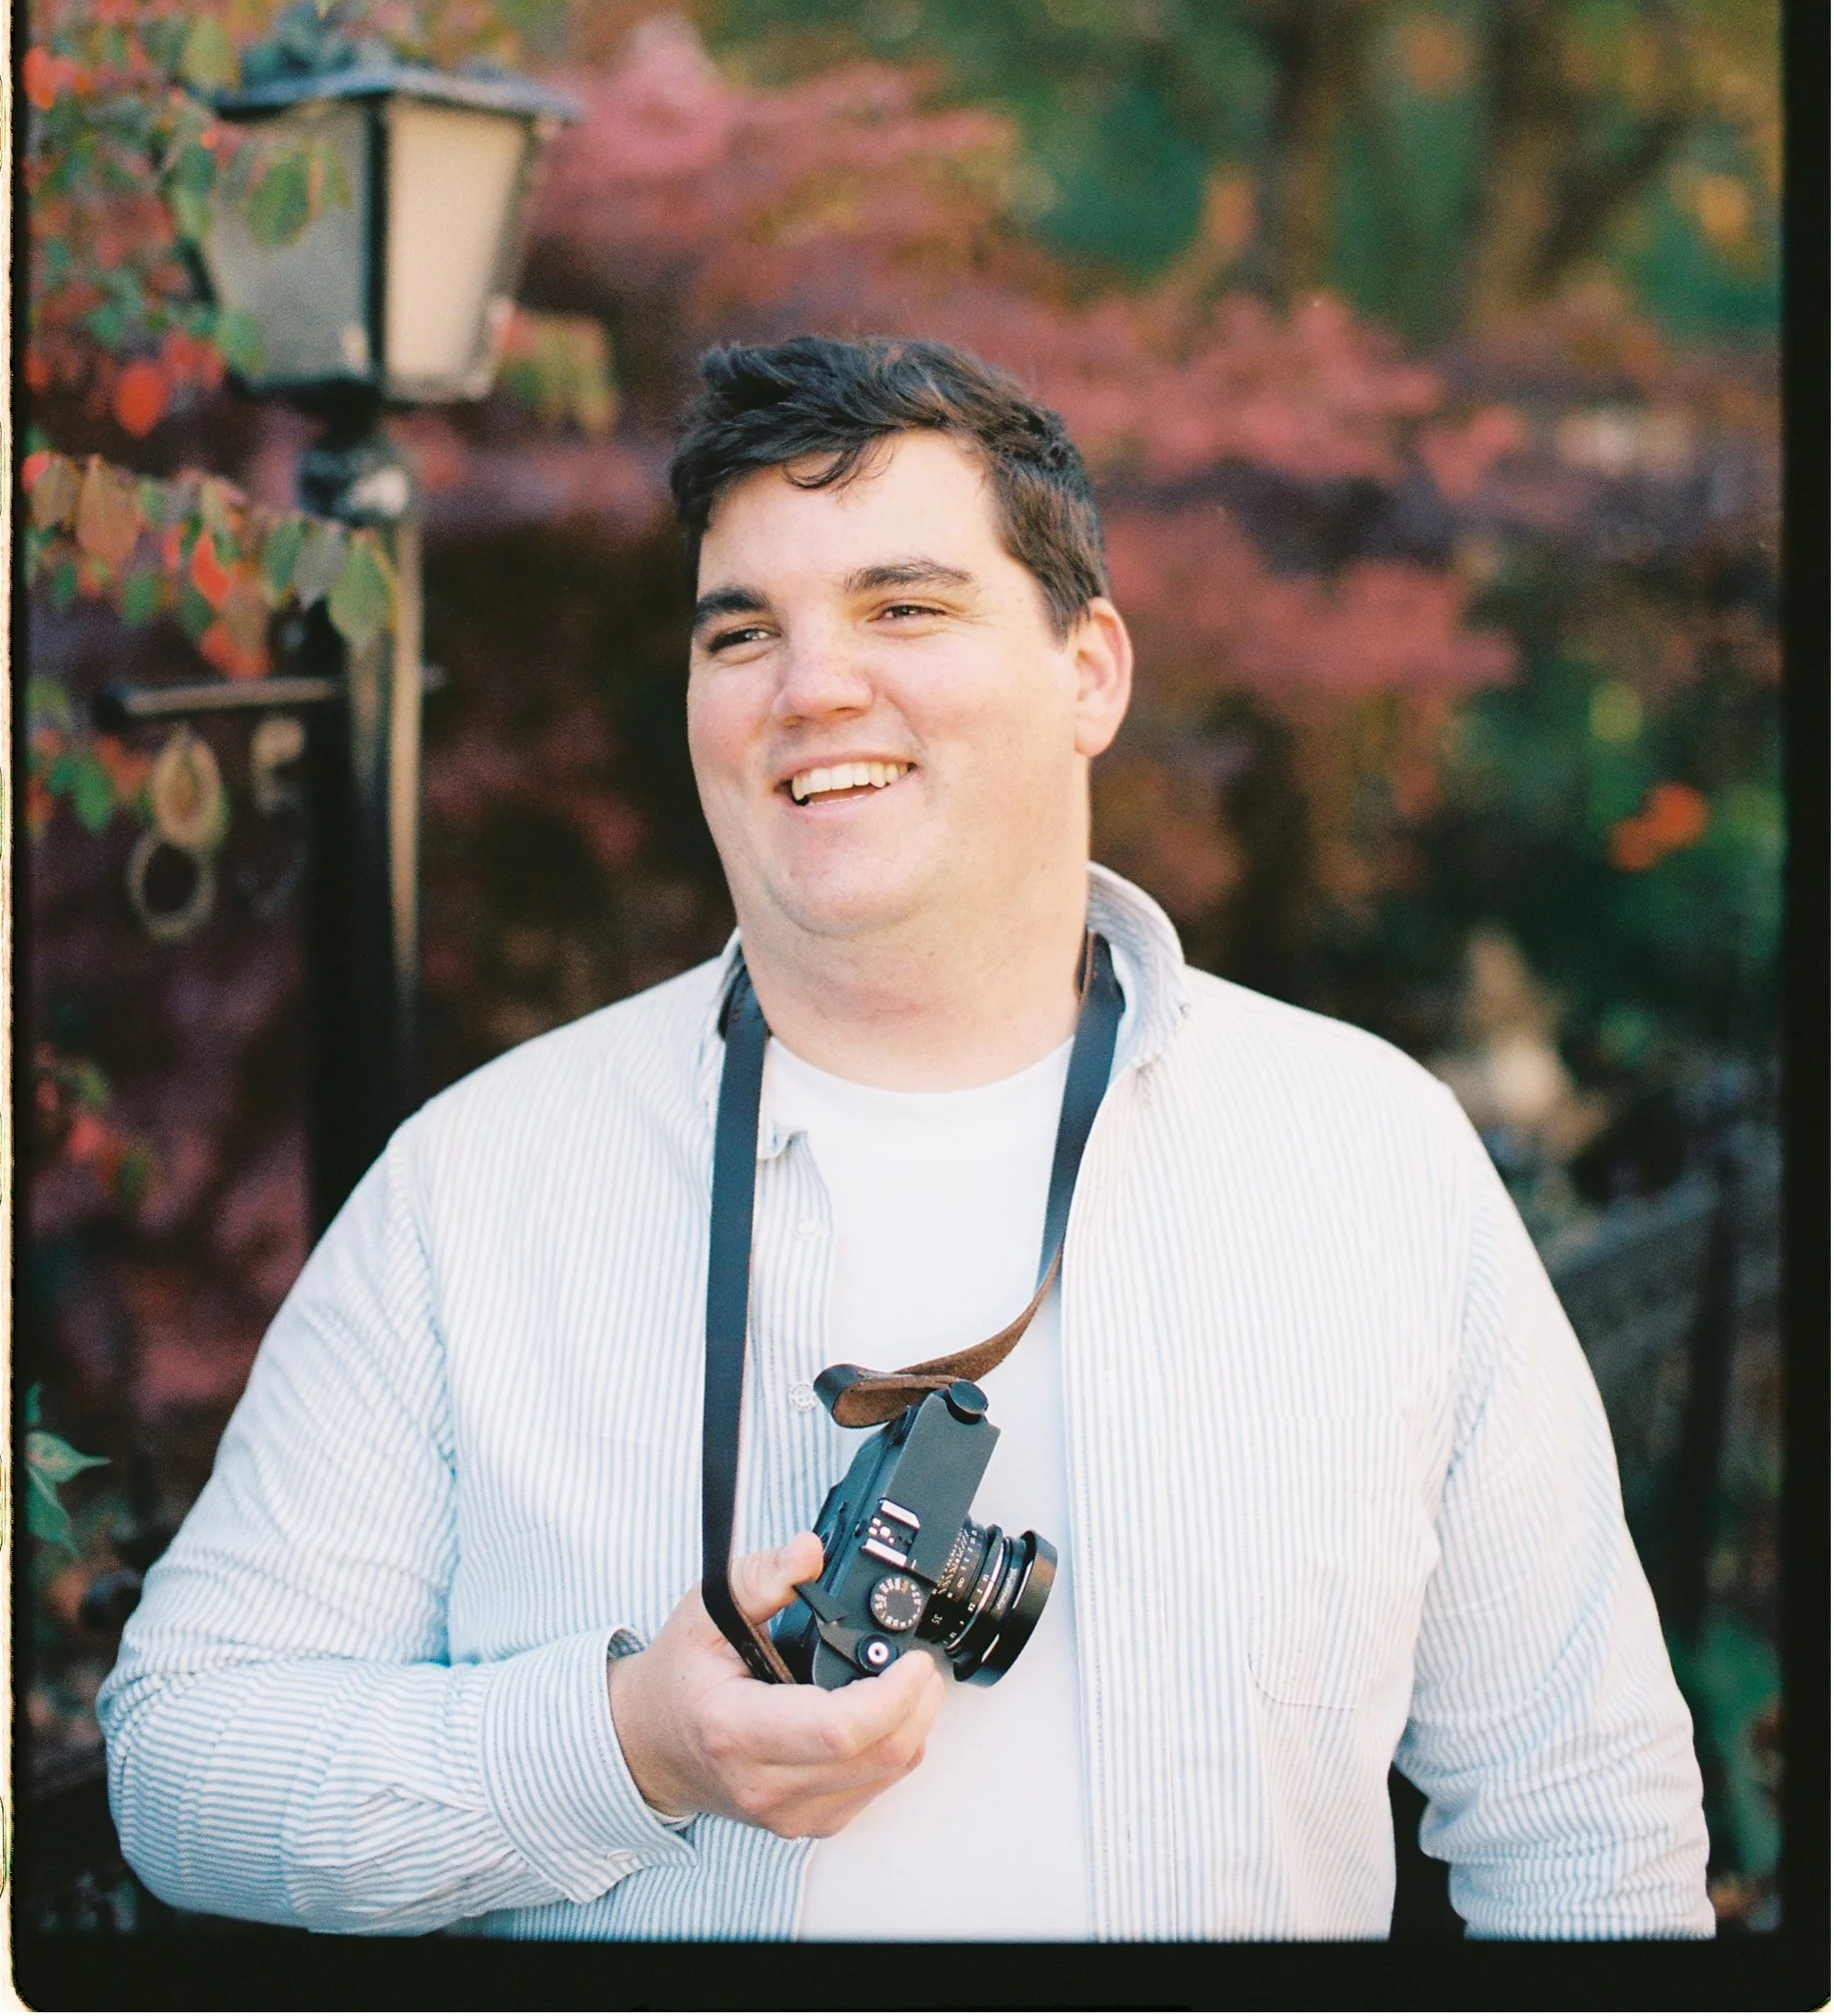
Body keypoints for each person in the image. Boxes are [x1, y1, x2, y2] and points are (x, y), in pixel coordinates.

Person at [100, 334, 1714, 1943]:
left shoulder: (1370, 1159)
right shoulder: (477, 1185)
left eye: (904, 607)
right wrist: (625, 1747)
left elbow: (1584, 1823)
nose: (811, 687)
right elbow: (185, 1765)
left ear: (1090, 673)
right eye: (744, 632)